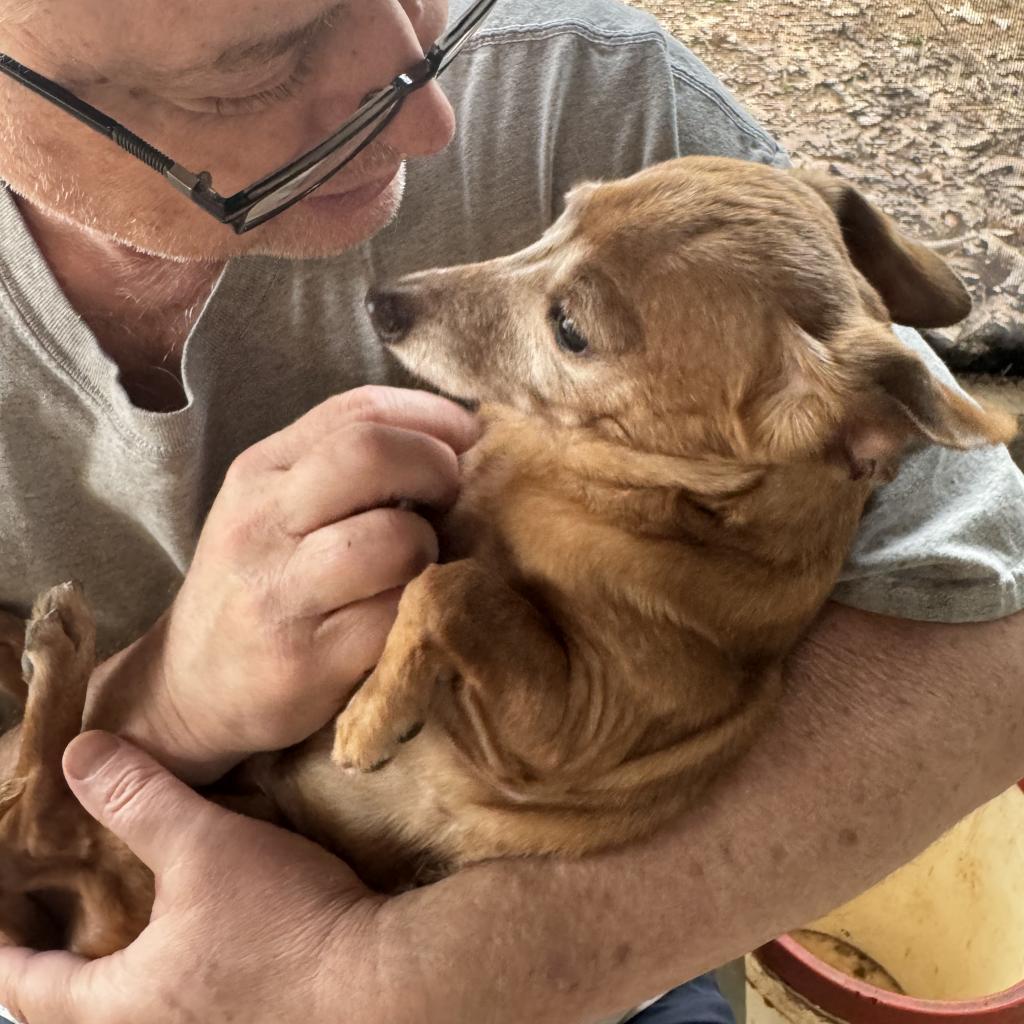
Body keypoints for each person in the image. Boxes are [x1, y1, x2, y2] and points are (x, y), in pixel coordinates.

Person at [0, 0, 1021, 1022]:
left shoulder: (583, 91)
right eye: (252, 70)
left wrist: (398, 979)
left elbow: (992, 623)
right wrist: (165, 700)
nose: (432, 118)